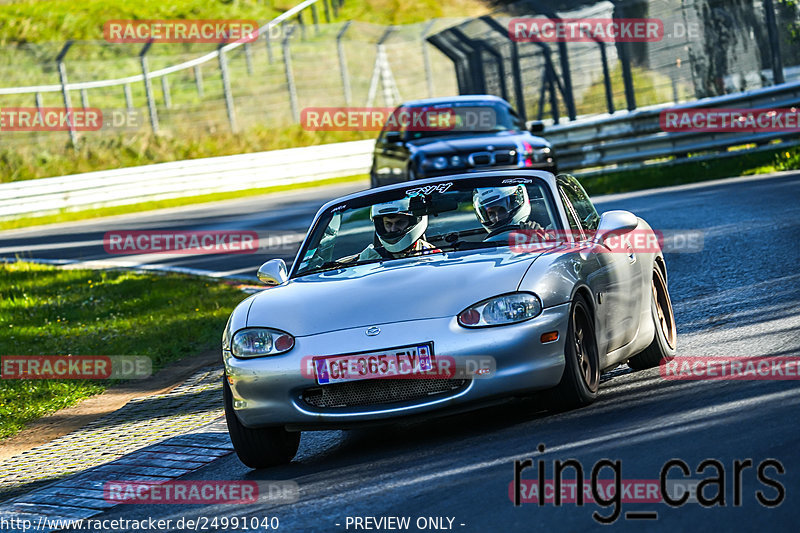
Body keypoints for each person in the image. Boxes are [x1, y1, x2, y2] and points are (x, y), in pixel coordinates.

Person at [359, 198, 437, 260]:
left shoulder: (432, 253)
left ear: (414, 222)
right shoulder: (369, 257)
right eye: (388, 224)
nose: (393, 229)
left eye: (399, 223)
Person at [472, 185, 542, 237]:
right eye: (491, 214)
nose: (497, 218)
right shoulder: (485, 249)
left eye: (501, 211)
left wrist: (539, 238)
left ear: (516, 203)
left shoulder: (548, 229)